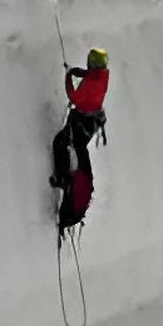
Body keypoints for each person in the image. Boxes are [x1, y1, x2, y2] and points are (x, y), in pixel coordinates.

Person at [50, 48, 110, 229]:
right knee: (76, 148)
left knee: (61, 143)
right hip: (91, 121)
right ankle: (69, 180)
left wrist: (68, 76)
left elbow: (73, 96)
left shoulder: (92, 82)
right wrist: (77, 72)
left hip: (82, 122)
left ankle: (64, 178)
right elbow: (89, 77)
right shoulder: (102, 76)